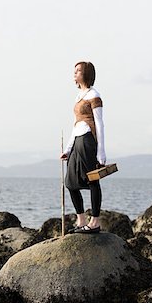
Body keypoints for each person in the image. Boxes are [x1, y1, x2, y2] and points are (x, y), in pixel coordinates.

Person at [60, 61, 106, 234]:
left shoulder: (94, 95)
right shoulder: (79, 96)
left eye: (78, 71)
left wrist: (101, 152)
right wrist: (67, 149)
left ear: (86, 73)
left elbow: (100, 124)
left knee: (92, 180)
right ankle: (81, 220)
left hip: (88, 141)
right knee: (70, 183)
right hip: (77, 141)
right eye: (74, 70)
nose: (75, 73)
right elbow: (76, 124)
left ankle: (95, 222)